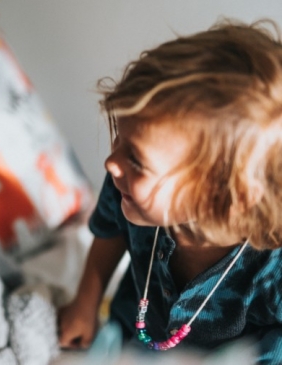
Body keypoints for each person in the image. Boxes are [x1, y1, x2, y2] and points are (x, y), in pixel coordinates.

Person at [58, 18, 282, 362]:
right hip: (127, 339)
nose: (111, 163)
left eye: (136, 159)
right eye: (119, 136)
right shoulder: (128, 191)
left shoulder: (271, 272)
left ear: (222, 196)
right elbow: (109, 230)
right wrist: (86, 302)